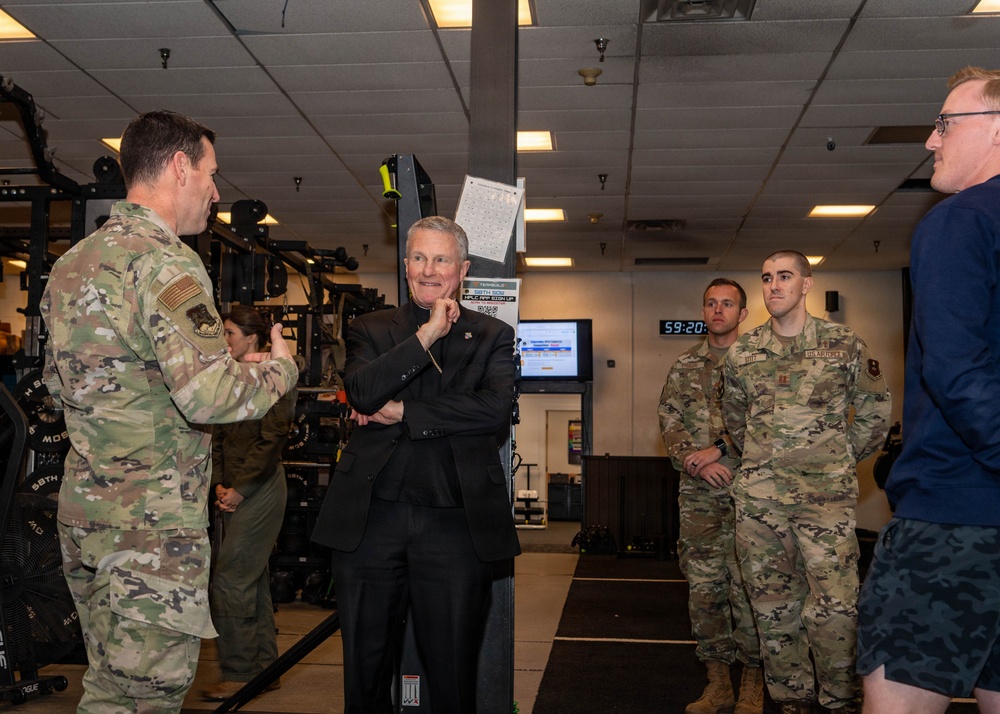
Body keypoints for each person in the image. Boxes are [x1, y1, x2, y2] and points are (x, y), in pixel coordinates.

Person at [39, 110, 298, 714]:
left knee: (108, 687)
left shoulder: (71, 264)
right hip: (150, 529)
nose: (215, 191)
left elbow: (60, 385)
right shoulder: (167, 263)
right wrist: (280, 368)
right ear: (180, 168)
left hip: (87, 517)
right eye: (211, 174)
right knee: (145, 699)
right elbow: (209, 393)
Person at [311, 215, 520, 713]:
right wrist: (426, 335)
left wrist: (403, 411)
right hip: (370, 523)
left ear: (462, 268)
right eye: (419, 258)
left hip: (455, 524)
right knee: (365, 671)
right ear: (405, 267)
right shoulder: (371, 328)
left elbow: (494, 412)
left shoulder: (492, 334)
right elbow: (362, 391)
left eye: (441, 259)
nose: (429, 270)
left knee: (452, 673)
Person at [856, 66, 1000, 714]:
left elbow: (958, 372)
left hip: (952, 520)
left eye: (945, 123)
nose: (930, 141)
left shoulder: (960, 221)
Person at [721, 250, 891, 714]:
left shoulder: (844, 344)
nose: (773, 285)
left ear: (806, 284)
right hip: (759, 505)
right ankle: (792, 701)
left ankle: (839, 701)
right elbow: (736, 422)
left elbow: (876, 414)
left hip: (825, 502)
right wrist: (763, 466)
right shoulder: (744, 351)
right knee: (773, 610)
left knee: (836, 606)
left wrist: (834, 459)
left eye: (784, 276)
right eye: (766, 278)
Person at [658, 278, 764, 714]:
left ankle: (753, 687)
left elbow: (768, 424)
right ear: (704, 312)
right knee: (705, 592)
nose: (718, 310)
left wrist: (718, 450)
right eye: (711, 304)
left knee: (750, 589)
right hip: (699, 496)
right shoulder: (684, 365)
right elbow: (669, 418)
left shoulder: (759, 363)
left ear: (742, 314)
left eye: (728, 304)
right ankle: (718, 684)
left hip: (749, 494)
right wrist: (694, 460)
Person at [203, 306, 298, 701]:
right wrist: (221, 484)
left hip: (260, 486)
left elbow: (271, 438)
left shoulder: (275, 375)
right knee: (251, 580)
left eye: (229, 333)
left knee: (229, 578)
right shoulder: (230, 377)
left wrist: (240, 488)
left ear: (251, 338)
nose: (224, 340)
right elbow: (220, 436)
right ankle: (264, 669)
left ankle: (240, 674)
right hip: (234, 487)